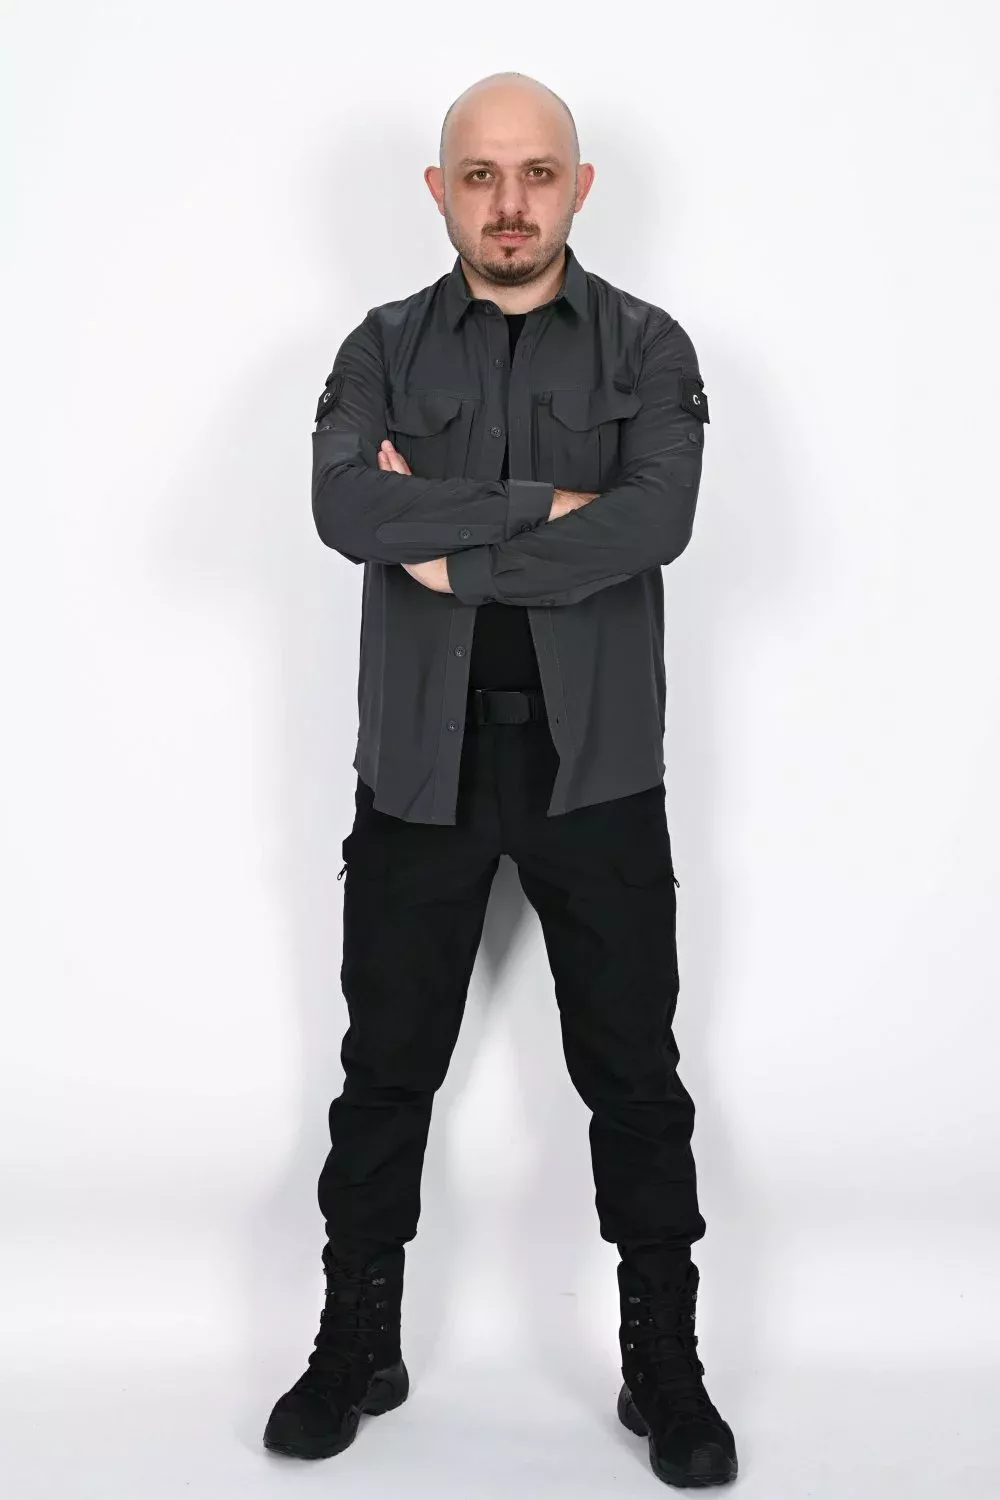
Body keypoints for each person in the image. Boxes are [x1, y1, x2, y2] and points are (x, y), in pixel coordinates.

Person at [263, 71, 738, 1489]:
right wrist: (542, 508)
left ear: (578, 187)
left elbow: (654, 521)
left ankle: (665, 1363)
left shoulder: (648, 346)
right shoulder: (380, 346)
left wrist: (450, 553)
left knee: (635, 1078)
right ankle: (357, 1343)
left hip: (599, 773)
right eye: (481, 175)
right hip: (422, 766)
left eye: (537, 174)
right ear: (441, 191)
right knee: (384, 1071)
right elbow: (345, 503)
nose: (511, 203)